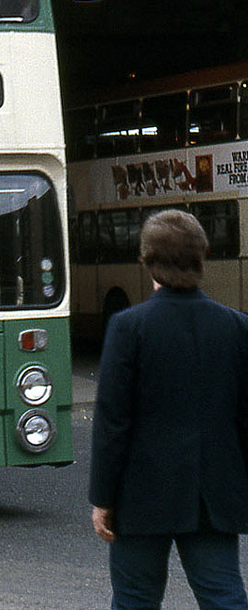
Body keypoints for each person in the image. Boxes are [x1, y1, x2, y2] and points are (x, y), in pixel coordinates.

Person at [89, 209, 248, 610]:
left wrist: (103, 498)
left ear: (146, 259)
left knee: (135, 600)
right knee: (224, 597)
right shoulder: (236, 327)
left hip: (141, 495)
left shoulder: (128, 327)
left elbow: (113, 423)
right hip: (212, 496)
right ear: (202, 256)